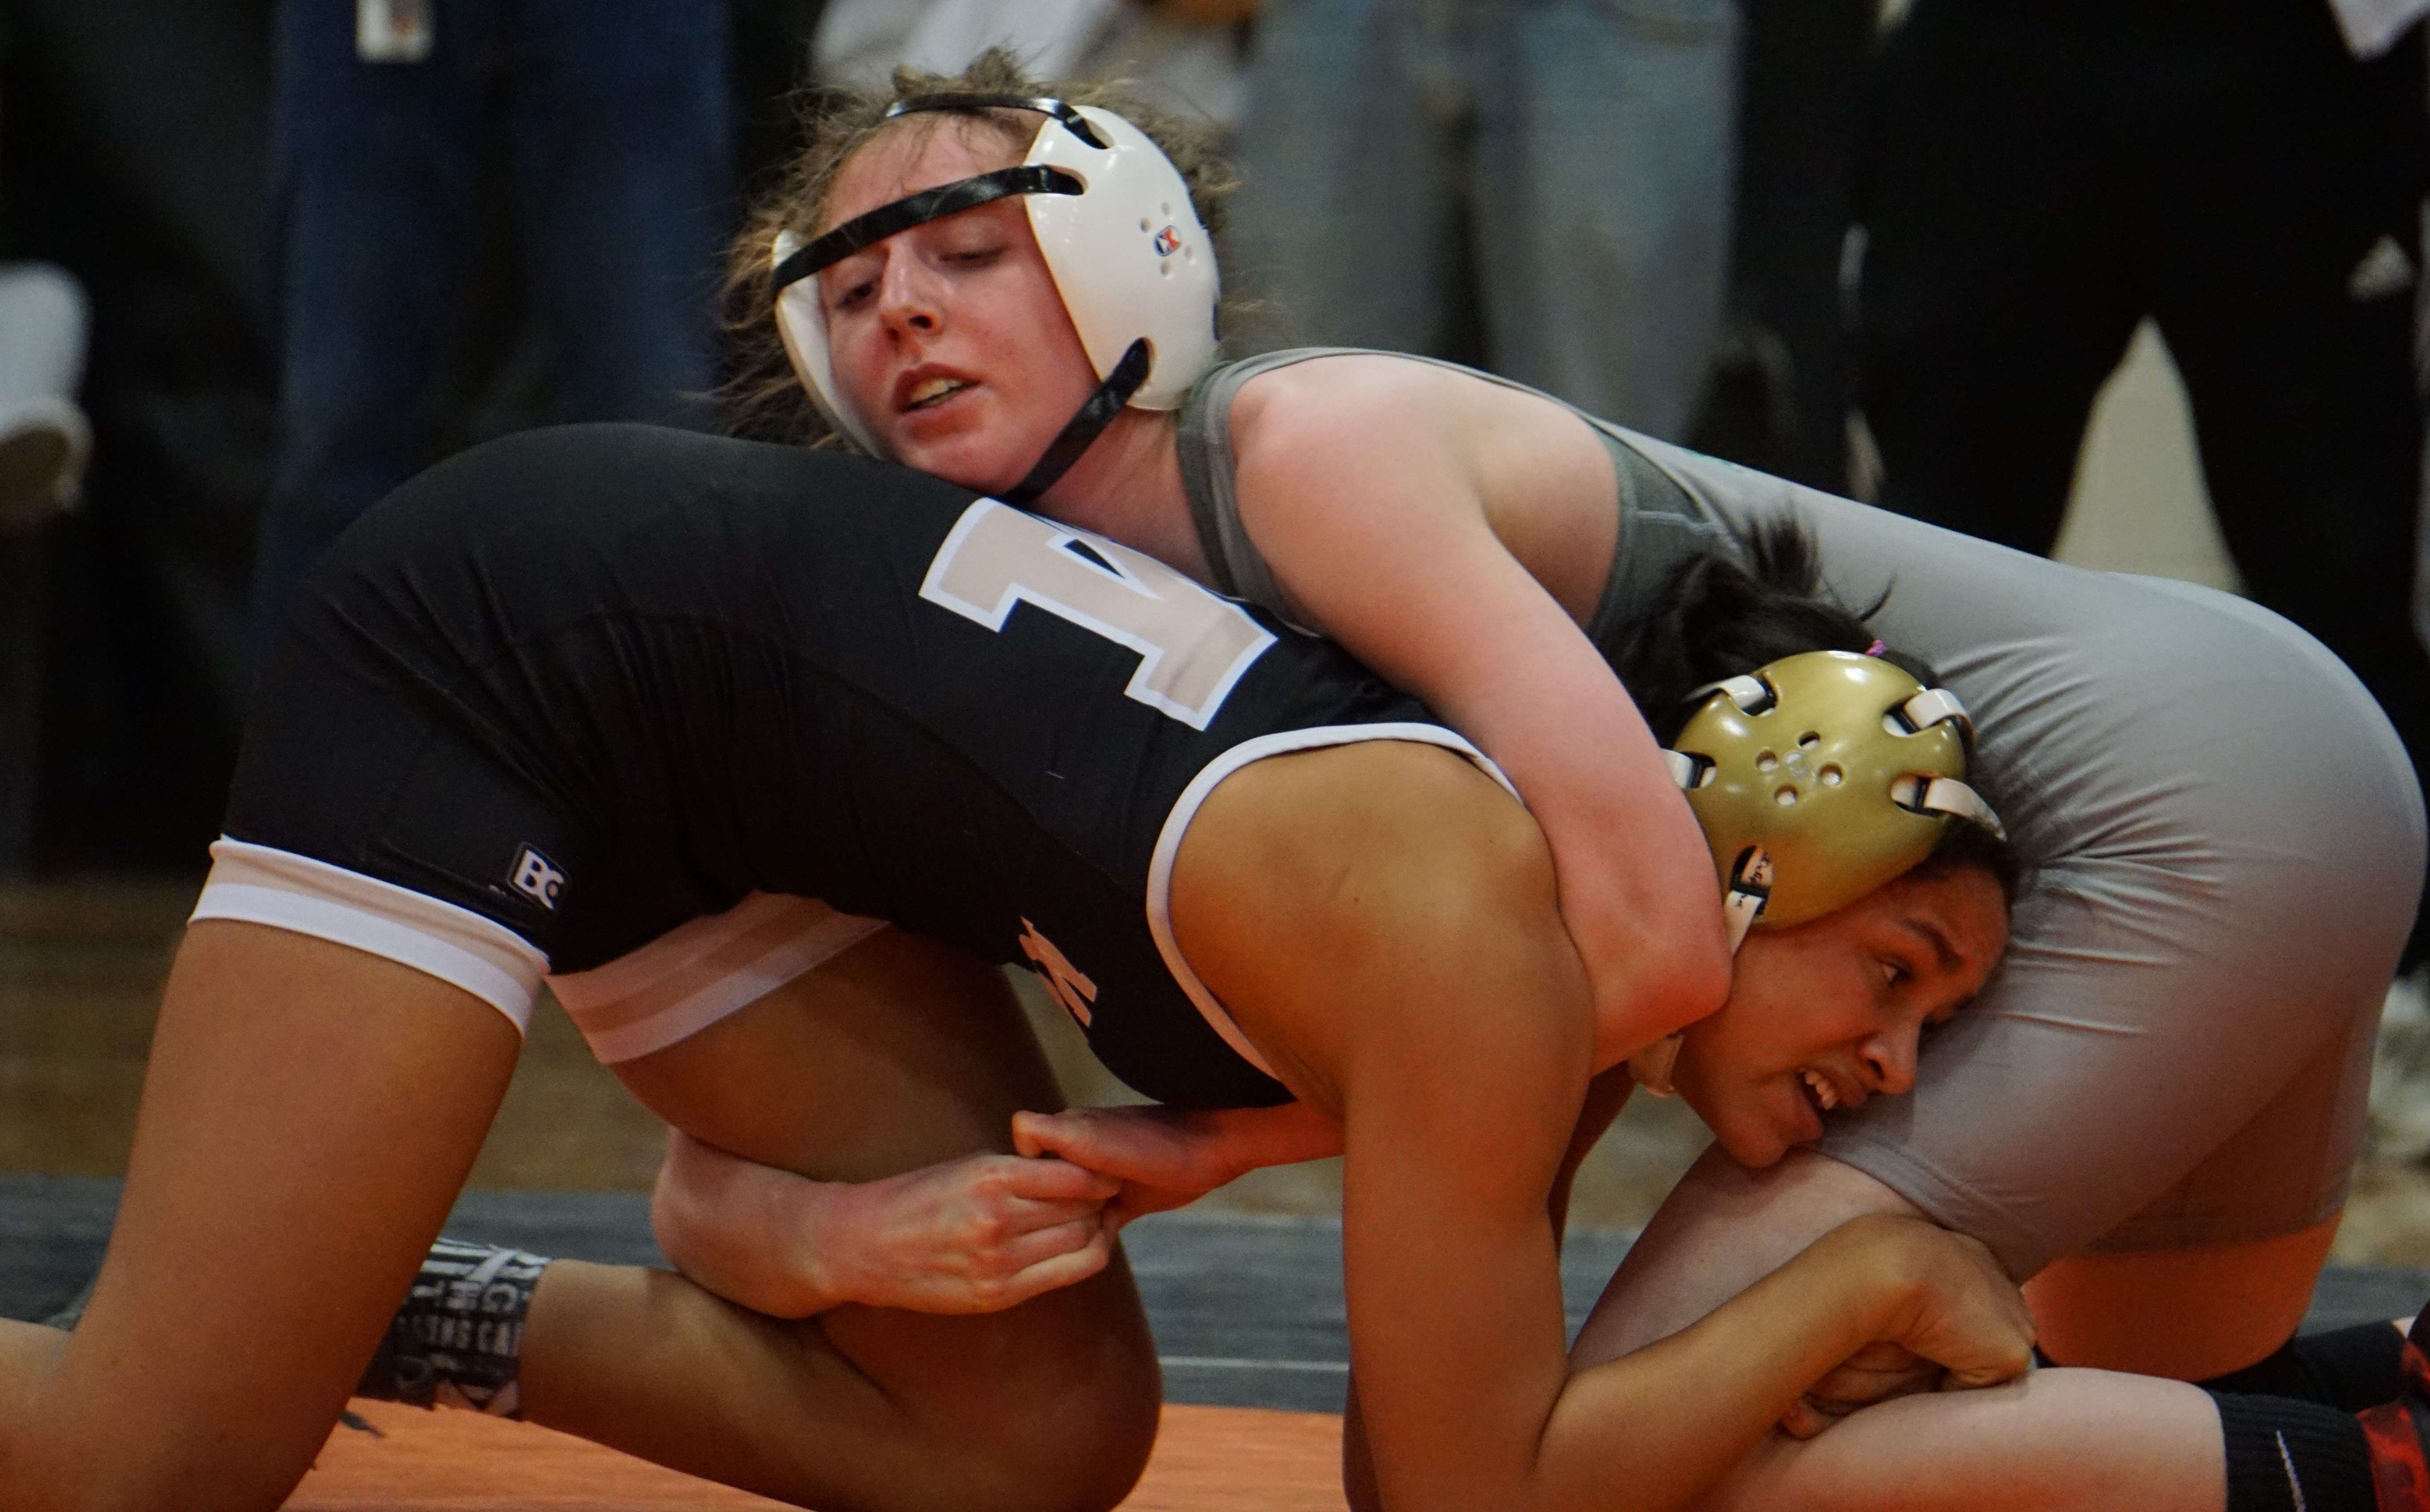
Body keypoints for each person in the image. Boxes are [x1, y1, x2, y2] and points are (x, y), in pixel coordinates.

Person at [709, 59, 2426, 1508]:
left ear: (1134, 252)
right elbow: (1549, 982)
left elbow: (1655, 940)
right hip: (2248, 748)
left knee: (1607, 1472)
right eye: (850, 294)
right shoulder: (1105, 588)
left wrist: (1239, 1136)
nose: (906, 311)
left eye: (966, 252)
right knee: (2160, 1390)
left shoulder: (1303, 460)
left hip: (2178, 802)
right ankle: (2387, 1408)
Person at [2, 414, 2038, 1512]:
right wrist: (1867, 1277)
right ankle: (242, 1336)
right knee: (146, 1472)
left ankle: (386, 1305)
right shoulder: (1474, 937)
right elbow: (1461, 1500)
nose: (1900, 1066)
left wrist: (796, 1244)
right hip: (514, 652)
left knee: (1022, 1447)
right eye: (1903, 969)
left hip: (733, 780)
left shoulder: (1540, 980)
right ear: (1764, 858)